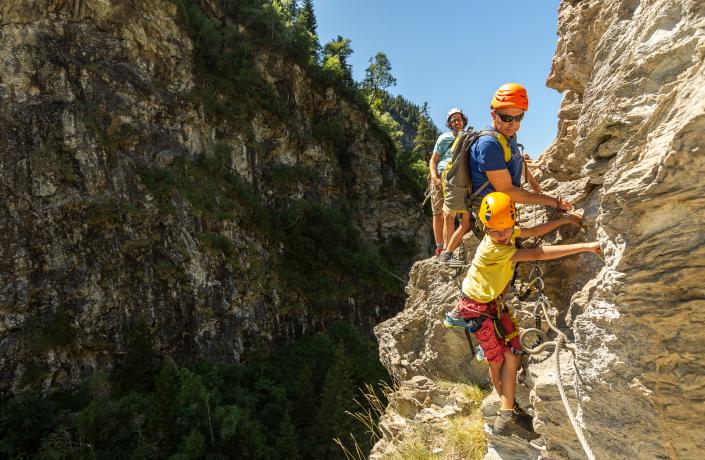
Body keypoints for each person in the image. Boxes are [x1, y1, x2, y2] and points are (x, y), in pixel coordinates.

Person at [444, 192, 602, 438]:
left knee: (512, 354)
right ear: (485, 228)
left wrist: (566, 220)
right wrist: (586, 247)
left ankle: (508, 413)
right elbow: (538, 253)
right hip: (475, 307)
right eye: (495, 231)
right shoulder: (491, 249)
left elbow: (533, 232)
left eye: (506, 229)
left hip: (490, 304)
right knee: (497, 361)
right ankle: (508, 414)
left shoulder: (507, 231)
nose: (502, 235)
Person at [439, 83, 569, 264]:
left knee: (510, 261)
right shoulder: (488, 144)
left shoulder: (507, 137)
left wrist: (532, 181)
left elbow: (515, 160)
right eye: (507, 118)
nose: (513, 124)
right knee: (504, 264)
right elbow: (507, 190)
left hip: (502, 208)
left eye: (519, 118)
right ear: (494, 115)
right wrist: (552, 201)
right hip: (493, 216)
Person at [429, 108, 468, 256]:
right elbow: (433, 160)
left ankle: (449, 248)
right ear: (450, 124)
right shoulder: (444, 138)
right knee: (438, 213)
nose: (457, 122)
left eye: (459, 119)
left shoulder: (468, 137)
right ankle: (440, 247)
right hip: (440, 176)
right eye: (453, 120)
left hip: (457, 178)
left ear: (463, 120)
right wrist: (434, 177)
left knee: (450, 213)